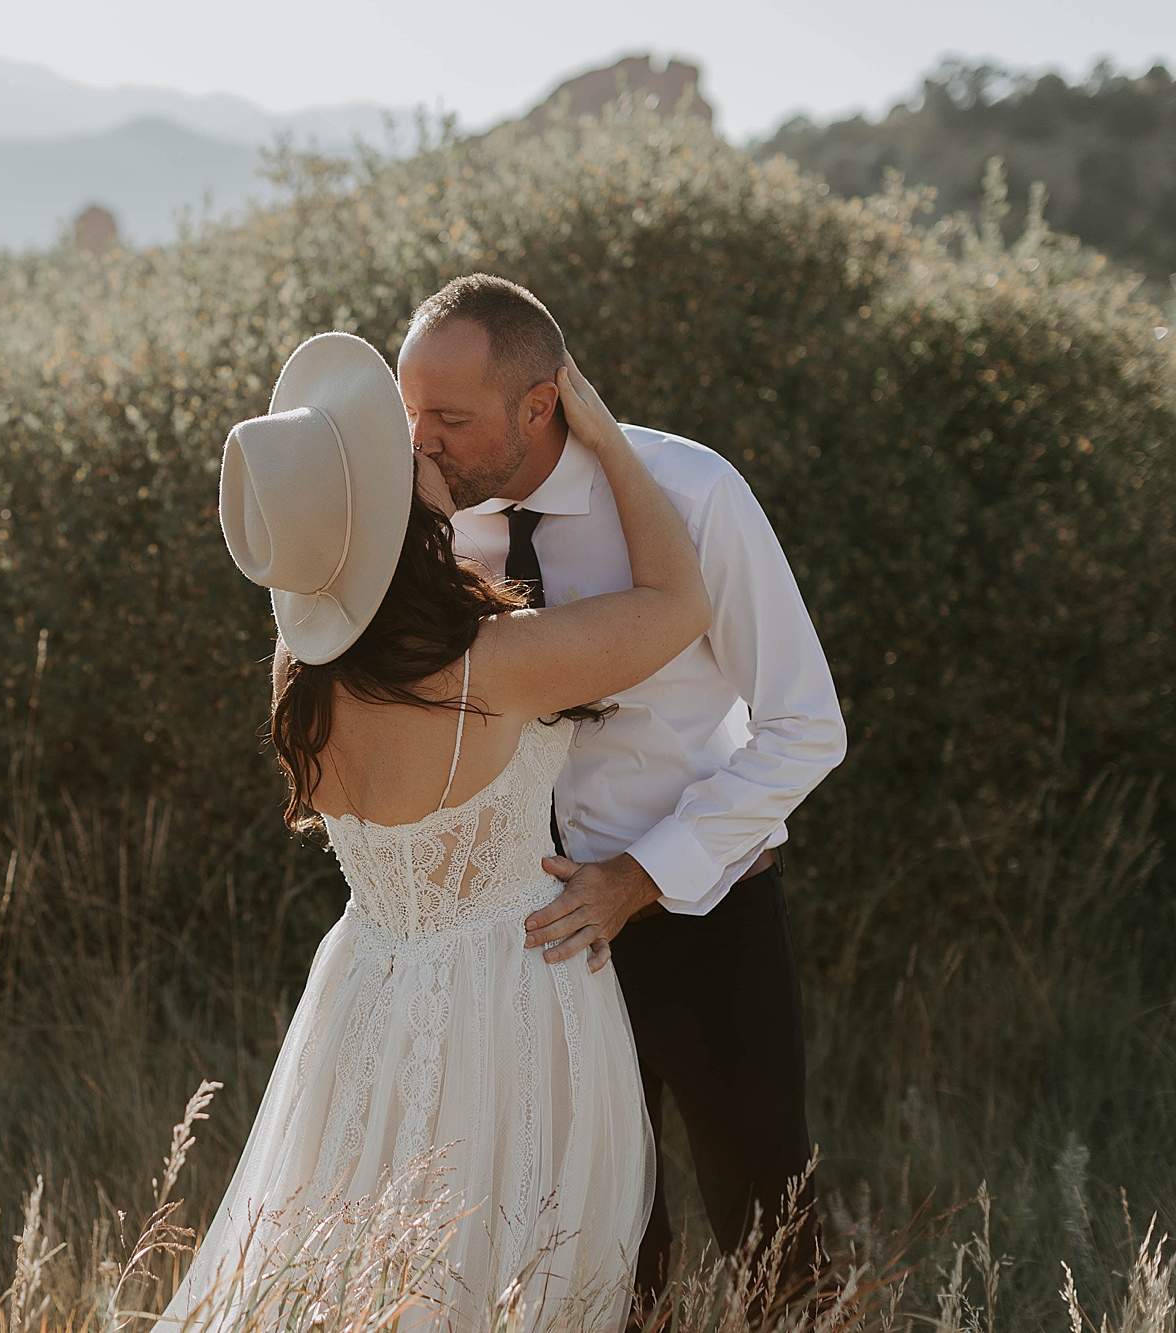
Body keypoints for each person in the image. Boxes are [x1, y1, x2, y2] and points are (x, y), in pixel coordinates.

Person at [164, 327, 710, 1332]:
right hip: (510, 993)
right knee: (508, 1281)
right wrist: (603, 434)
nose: (424, 443)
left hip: (365, 992)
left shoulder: (302, 679)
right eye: (404, 451)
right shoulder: (487, 665)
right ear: (384, 510)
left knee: (355, 1275)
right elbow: (678, 603)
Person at [403, 275, 848, 1308]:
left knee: (770, 1235)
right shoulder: (426, 516)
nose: (421, 444)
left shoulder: (692, 495)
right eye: (409, 412)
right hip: (520, 940)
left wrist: (639, 878)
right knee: (585, 1248)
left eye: (451, 421)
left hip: (702, 918)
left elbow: (803, 727)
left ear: (537, 404)